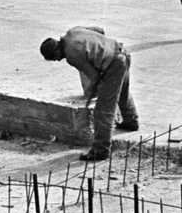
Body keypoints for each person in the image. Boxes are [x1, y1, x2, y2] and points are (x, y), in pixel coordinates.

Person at [40, 26, 140, 163]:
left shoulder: (71, 55)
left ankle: (101, 150)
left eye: (55, 58)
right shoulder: (73, 31)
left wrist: (97, 88)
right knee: (122, 91)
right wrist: (99, 48)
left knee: (103, 109)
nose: (58, 60)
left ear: (57, 50)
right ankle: (131, 121)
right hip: (122, 53)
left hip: (113, 64)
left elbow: (94, 76)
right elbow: (99, 30)